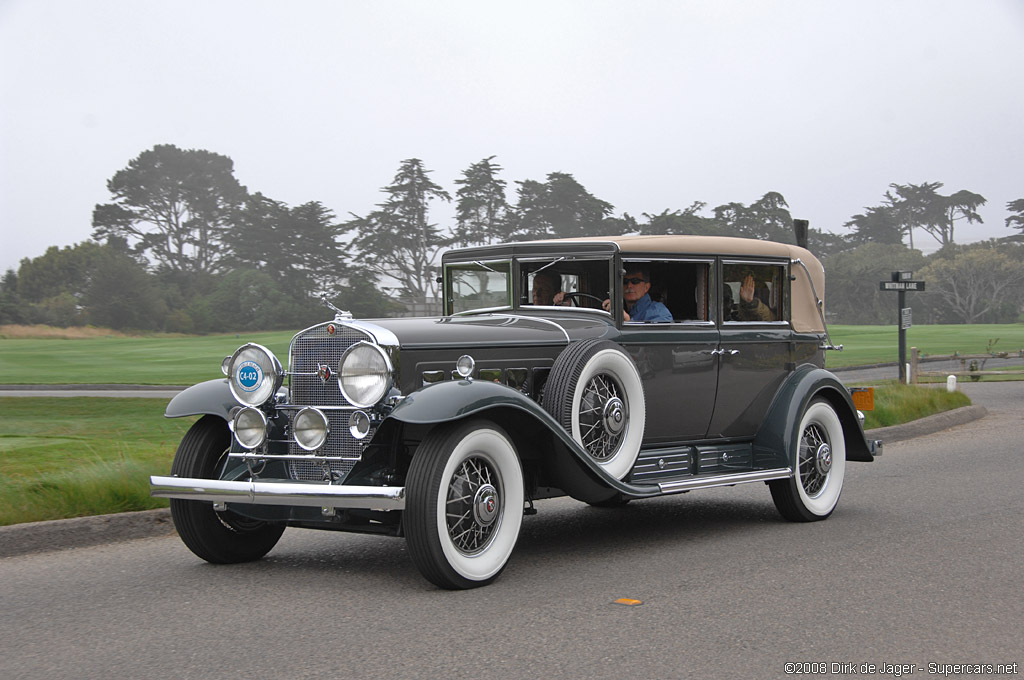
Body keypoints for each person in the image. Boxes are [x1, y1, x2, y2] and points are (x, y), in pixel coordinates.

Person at [602, 267, 672, 322]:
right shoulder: (620, 307)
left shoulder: (658, 311)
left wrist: (626, 321)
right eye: (625, 281)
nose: (629, 285)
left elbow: (656, 338)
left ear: (646, 287)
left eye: (635, 281)